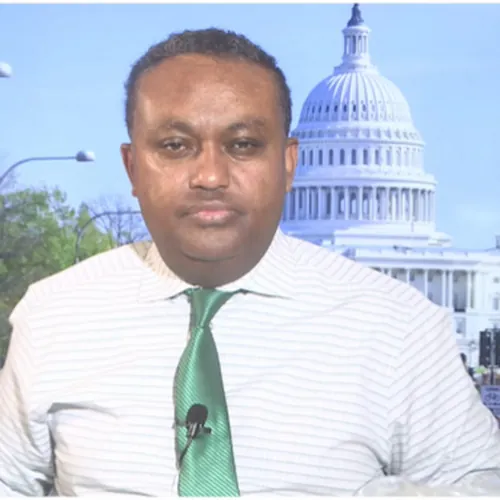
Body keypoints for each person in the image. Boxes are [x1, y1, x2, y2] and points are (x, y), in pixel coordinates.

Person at [1, 27, 500, 497]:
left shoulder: (401, 327)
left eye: (242, 145)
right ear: (132, 167)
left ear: (289, 163)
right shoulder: (53, 316)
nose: (210, 176)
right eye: (175, 146)